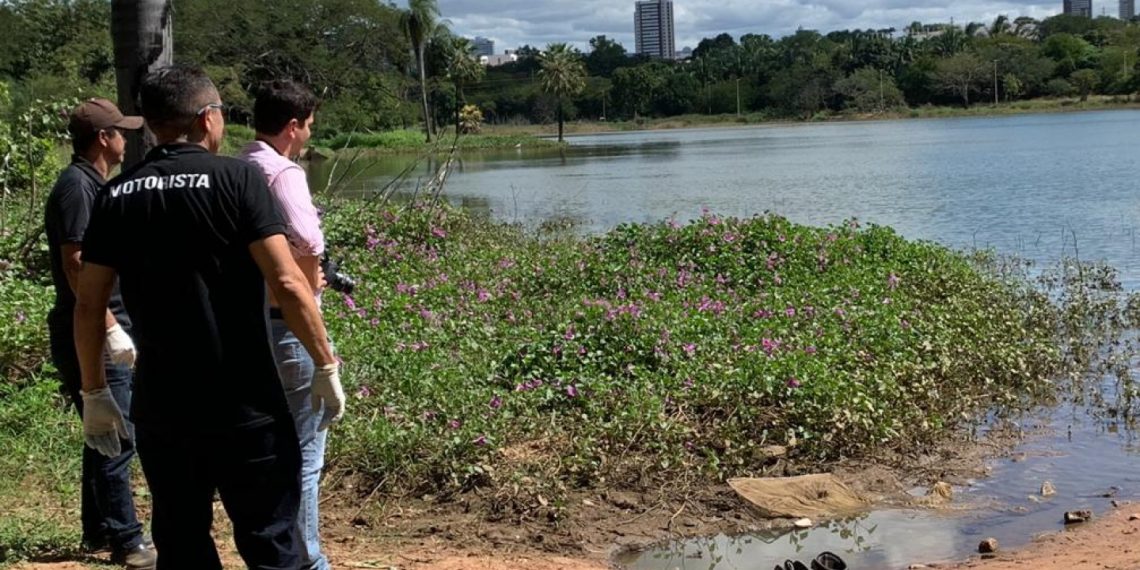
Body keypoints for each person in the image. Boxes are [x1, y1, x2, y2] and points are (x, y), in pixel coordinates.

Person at [71, 65, 345, 570]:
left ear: (152, 124)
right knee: (270, 541)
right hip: (246, 404)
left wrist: (94, 392)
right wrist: (325, 365)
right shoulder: (238, 178)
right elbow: (287, 281)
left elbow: (89, 303)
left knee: (182, 542)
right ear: (207, 119)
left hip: (164, 409)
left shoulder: (116, 195)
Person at [43, 98, 157, 570]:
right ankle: (129, 542)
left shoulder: (91, 184)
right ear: (103, 139)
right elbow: (75, 264)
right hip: (92, 329)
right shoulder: (76, 188)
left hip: (95, 326)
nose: (125, 139)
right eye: (119, 132)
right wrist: (110, 329)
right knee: (118, 434)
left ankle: (100, 529)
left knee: (102, 433)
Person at [238, 79, 332, 570]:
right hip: (289, 322)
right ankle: (310, 558)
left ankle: (281, 552)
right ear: (293, 126)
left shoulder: (237, 166)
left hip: (248, 325)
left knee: (269, 448)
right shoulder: (283, 172)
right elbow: (308, 240)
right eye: (310, 126)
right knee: (307, 451)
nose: (310, 135)